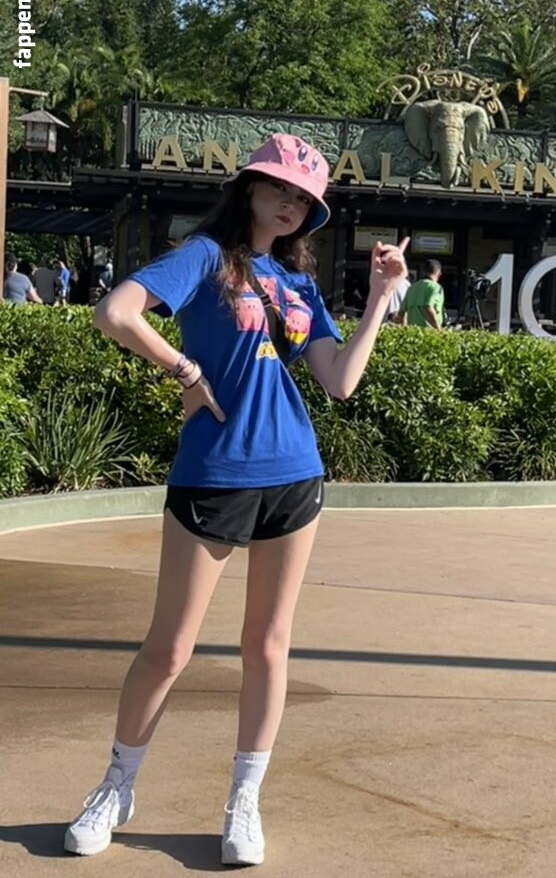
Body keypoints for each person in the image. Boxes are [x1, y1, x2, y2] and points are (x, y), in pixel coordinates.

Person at [63, 133, 409, 866]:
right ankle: (116, 787)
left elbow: (340, 381)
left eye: (303, 199)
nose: (289, 204)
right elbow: (116, 312)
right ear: (249, 187)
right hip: (214, 472)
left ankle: (244, 801)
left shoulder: (297, 285)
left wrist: (381, 299)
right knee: (170, 648)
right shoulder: (202, 257)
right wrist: (185, 370)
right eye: (278, 188)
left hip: (294, 474)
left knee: (268, 646)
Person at [398, 258, 444, 329]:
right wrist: (438, 329)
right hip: (430, 332)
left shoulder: (411, 288)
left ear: (424, 271)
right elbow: (428, 307)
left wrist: (405, 330)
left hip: (412, 331)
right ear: (439, 273)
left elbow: (401, 313)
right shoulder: (436, 287)